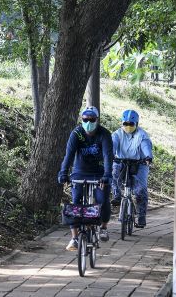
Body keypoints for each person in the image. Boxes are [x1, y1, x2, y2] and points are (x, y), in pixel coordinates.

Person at [57, 106, 113, 251]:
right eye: (85, 119)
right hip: (79, 172)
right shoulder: (77, 133)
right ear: (82, 120)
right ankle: (74, 238)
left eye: (92, 119)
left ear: (97, 120)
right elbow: (68, 155)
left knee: (102, 199)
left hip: (99, 173)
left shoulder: (104, 134)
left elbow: (108, 156)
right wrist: (63, 173)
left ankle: (104, 227)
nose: (88, 122)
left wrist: (107, 175)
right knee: (75, 203)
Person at [111, 109, 153, 228]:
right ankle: (117, 195)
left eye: (131, 124)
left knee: (140, 190)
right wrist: (111, 154)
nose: (128, 126)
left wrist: (148, 156)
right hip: (121, 162)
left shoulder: (142, 135)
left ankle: (141, 216)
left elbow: (145, 146)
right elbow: (113, 145)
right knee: (113, 172)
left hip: (139, 164)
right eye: (125, 124)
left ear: (137, 124)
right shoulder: (117, 134)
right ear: (122, 123)